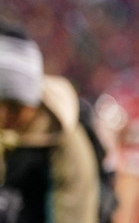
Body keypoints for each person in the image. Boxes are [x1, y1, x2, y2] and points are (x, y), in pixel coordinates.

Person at [0, 21, 102, 223]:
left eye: (13, 106)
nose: (3, 116)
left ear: (32, 100)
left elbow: (75, 215)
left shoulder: (65, 138)